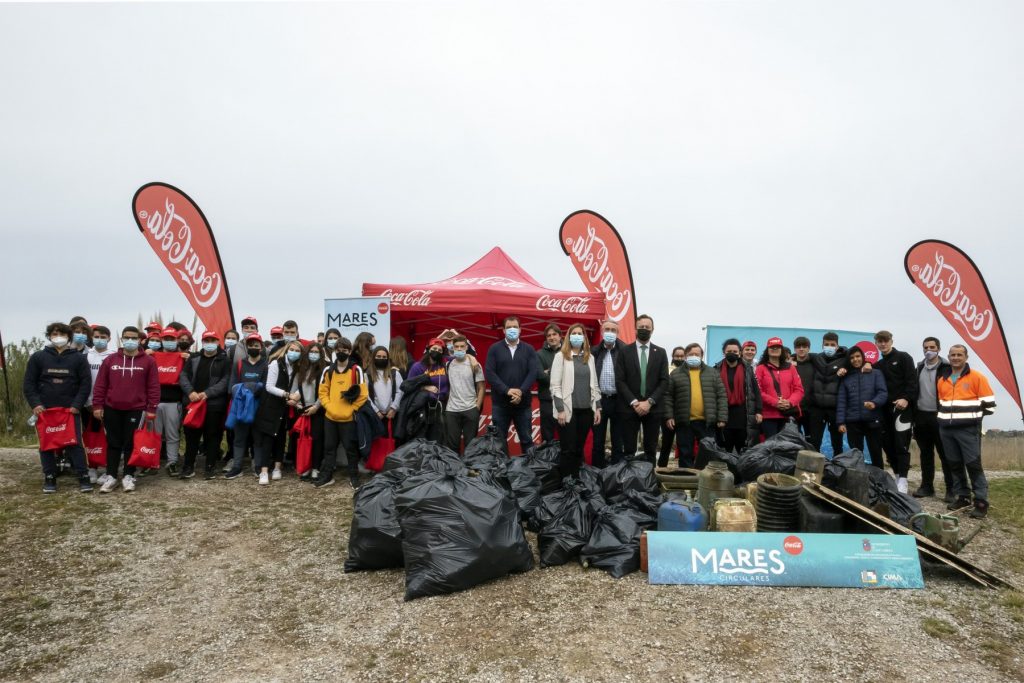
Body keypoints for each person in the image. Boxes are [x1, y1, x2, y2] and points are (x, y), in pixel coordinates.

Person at [23, 322, 93, 493]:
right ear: (49, 336)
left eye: (61, 333)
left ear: (68, 336)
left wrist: (77, 405)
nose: (58, 337)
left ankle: (83, 475)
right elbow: (29, 384)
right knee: (46, 445)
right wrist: (36, 404)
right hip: (45, 410)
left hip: (70, 410)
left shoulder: (77, 358)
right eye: (54, 334)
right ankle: (49, 477)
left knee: (74, 443)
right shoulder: (38, 357)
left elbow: (85, 384)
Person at [92, 326, 160, 493]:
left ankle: (129, 475)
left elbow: (153, 386)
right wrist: (97, 405)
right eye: (126, 337)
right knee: (113, 443)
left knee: (131, 443)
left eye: (133, 338)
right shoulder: (110, 360)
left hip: (136, 408)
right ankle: (111, 476)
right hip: (111, 408)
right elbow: (100, 385)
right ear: (121, 340)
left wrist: (152, 408)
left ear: (139, 340)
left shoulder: (148, 361)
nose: (130, 340)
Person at [937, 345, 996, 518]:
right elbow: (942, 403)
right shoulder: (943, 379)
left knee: (973, 465)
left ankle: (981, 502)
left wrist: (973, 420)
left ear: (966, 357)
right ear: (948, 356)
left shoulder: (977, 377)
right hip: (946, 430)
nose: (956, 358)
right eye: (953, 355)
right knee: (954, 464)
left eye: (959, 355)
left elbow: (990, 406)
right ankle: (963, 497)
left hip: (968, 430)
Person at [614, 314, 670, 463]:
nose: (644, 329)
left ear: (652, 330)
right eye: (641, 327)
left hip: (653, 408)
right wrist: (634, 402)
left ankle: (649, 482)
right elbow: (620, 380)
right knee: (629, 450)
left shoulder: (661, 352)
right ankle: (629, 482)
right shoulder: (624, 351)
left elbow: (664, 381)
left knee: (651, 449)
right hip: (629, 408)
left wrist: (649, 402)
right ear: (635, 329)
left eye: (647, 327)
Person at [663, 343, 727, 468]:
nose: (693, 356)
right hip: (684, 422)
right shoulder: (675, 374)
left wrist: (722, 417)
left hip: (707, 422)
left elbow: (721, 395)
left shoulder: (713, 373)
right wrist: (669, 416)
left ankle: (704, 481)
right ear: (685, 356)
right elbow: (668, 396)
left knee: (708, 453)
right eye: (690, 354)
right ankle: (687, 481)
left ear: (702, 356)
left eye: (696, 354)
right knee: (685, 453)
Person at [317, 337, 369, 489]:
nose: (341, 353)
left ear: (350, 352)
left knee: (351, 449)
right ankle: (327, 476)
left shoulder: (356, 370)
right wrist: (329, 407)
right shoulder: (328, 370)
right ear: (335, 351)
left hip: (349, 418)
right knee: (329, 448)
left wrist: (351, 410)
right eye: (339, 350)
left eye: (345, 351)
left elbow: (363, 395)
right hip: (330, 417)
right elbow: (322, 392)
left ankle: (354, 477)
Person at [550, 323, 601, 477]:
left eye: (580, 333)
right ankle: (566, 484)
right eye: (574, 333)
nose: (577, 336)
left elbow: (595, 385)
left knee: (579, 449)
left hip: (586, 411)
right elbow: (555, 386)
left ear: (584, 337)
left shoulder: (589, 357)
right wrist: (560, 410)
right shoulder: (561, 356)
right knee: (568, 450)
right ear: (569, 336)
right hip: (567, 411)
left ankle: (577, 483)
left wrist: (597, 407)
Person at [179, 331, 229, 479]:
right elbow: (183, 376)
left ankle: (210, 467)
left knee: (213, 436)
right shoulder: (194, 358)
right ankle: (188, 466)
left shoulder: (225, 360)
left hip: (213, 405)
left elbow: (225, 381)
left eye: (213, 340)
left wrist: (207, 393)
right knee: (191, 436)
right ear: (202, 341)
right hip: (193, 404)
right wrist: (190, 392)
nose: (209, 343)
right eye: (207, 340)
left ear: (218, 342)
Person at [485, 317, 539, 453]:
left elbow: (533, 372)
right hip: (500, 405)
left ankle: (528, 472)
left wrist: (521, 391)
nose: (512, 330)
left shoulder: (529, 349)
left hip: (523, 405)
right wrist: (507, 390)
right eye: (509, 327)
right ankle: (501, 472)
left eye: (515, 326)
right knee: (499, 442)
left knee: (527, 440)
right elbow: (490, 373)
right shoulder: (494, 348)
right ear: (503, 330)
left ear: (520, 330)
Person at [873, 330, 918, 494]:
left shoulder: (904, 357)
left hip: (902, 409)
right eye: (879, 341)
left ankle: (904, 480)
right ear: (876, 343)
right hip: (884, 411)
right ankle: (898, 476)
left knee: (901, 444)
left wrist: (906, 398)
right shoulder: (878, 365)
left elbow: (912, 381)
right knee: (888, 444)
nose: (883, 344)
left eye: (885, 340)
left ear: (891, 341)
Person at [253, 340, 303, 485]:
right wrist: (286, 394)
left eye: (297, 350)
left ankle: (277, 468)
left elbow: (302, 384)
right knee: (268, 438)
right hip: (272, 406)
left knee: (281, 437)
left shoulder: (300, 367)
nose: (294, 352)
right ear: (287, 350)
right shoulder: (276, 363)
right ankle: (264, 471)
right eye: (292, 349)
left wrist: (296, 396)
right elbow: (269, 386)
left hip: (288, 407)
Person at [914, 337, 953, 500]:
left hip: (940, 416)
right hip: (921, 416)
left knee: (945, 454)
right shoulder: (919, 367)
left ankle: (951, 489)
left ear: (939, 348)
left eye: (932, 347)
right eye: (925, 347)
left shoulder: (947, 368)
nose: (928, 350)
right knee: (926, 454)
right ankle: (927, 486)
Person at [225, 334, 268, 480]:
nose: (253, 348)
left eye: (256, 345)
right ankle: (237, 467)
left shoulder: (266, 365)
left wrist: (245, 387)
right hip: (241, 406)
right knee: (239, 438)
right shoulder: (239, 364)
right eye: (250, 345)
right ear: (246, 347)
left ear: (261, 348)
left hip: (259, 407)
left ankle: (257, 467)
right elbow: (232, 387)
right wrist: (251, 387)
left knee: (258, 439)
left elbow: (265, 386)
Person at [836, 346, 887, 463]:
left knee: (876, 453)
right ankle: (859, 480)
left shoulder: (876, 373)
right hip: (853, 423)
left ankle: (878, 480)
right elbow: (842, 401)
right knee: (855, 456)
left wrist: (874, 403)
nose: (855, 359)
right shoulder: (846, 377)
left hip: (873, 420)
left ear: (863, 357)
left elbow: (882, 392)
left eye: (858, 356)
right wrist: (841, 422)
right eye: (852, 357)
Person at [713, 339, 762, 453]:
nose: (732, 353)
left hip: (743, 416)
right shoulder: (716, 370)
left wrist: (759, 411)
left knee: (743, 449)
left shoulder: (747, 369)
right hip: (724, 416)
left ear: (740, 352)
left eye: (735, 351)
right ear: (723, 352)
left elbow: (756, 390)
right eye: (729, 351)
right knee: (725, 450)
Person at [84, 324, 117, 483]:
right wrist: (87, 402)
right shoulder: (86, 355)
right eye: (96, 336)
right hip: (86, 404)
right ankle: (91, 468)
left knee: (108, 438)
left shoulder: (114, 356)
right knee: (90, 437)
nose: (99, 340)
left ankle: (106, 469)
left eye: (103, 337)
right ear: (92, 337)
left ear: (109, 339)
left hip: (107, 405)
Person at [592, 320, 626, 467]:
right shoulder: (594, 351)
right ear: (602, 332)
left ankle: (616, 474)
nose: (610, 333)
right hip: (599, 402)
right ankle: (597, 473)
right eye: (607, 329)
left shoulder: (625, 351)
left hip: (619, 401)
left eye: (613, 330)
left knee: (618, 440)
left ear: (617, 333)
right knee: (598, 440)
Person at [755, 337, 804, 438]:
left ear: (782, 350)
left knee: (787, 447)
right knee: (771, 447)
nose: (775, 349)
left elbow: (799, 389)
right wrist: (775, 402)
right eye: (772, 347)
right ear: (767, 350)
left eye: (778, 347)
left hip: (788, 414)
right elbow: (758, 391)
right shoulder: (761, 368)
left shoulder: (791, 368)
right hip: (768, 415)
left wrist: (789, 402)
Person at [444, 335, 485, 453]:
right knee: (452, 446)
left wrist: (477, 407)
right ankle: (455, 470)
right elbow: (430, 353)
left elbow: (481, 387)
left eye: (462, 346)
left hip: (471, 408)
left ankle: (468, 471)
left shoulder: (475, 364)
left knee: (470, 446)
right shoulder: (448, 365)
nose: (459, 349)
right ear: (453, 348)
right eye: (456, 347)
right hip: (451, 410)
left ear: (467, 347)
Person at [808, 332, 847, 456]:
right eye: (826, 344)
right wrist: (792, 359)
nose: (829, 347)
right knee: (814, 442)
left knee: (837, 442)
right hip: (817, 408)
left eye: (832, 344)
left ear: (837, 345)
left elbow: (860, 360)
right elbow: (800, 355)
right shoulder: (816, 358)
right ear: (822, 345)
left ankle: (838, 468)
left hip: (835, 408)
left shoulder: (845, 359)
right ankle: (814, 471)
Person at [155, 327, 186, 475]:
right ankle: (150, 461)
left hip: (174, 402)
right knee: (154, 434)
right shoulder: (153, 356)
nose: (168, 342)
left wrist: (188, 358)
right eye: (166, 339)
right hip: (154, 402)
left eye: (171, 339)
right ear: (162, 340)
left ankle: (172, 462)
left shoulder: (184, 357)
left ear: (176, 341)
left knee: (172, 435)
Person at [406, 338, 450, 442]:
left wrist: (471, 358)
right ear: (428, 349)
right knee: (422, 438)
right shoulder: (417, 366)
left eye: (440, 350)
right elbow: (408, 386)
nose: (437, 352)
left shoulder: (444, 365)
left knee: (438, 438)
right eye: (434, 348)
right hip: (423, 408)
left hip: (441, 407)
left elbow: (458, 357)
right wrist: (424, 387)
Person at [296, 342, 328, 480]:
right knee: (304, 440)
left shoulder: (324, 369)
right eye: (311, 352)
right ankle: (305, 467)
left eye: (316, 352)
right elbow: (297, 389)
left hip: (318, 410)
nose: (313, 354)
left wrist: (316, 407)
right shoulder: (302, 369)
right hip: (303, 409)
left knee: (317, 440)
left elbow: (325, 391)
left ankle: (315, 468)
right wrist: (297, 404)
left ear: (320, 355)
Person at [658, 347, 687, 467]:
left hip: (683, 411)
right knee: (666, 442)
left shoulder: (688, 371)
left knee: (684, 443)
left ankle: (683, 468)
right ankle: (662, 466)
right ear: (672, 357)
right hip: (667, 411)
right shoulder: (667, 370)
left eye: (681, 356)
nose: (679, 358)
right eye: (677, 356)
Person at [368, 345, 403, 438]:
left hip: (392, 415)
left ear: (388, 359)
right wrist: (376, 411)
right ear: (373, 358)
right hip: (375, 415)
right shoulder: (367, 375)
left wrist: (393, 408)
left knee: (391, 443)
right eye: (378, 357)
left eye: (384, 357)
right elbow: (365, 395)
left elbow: (400, 391)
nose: (381, 359)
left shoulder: (395, 373)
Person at [535, 323, 563, 443]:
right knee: (547, 436)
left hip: (565, 400)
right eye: (549, 335)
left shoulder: (568, 352)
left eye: (554, 334)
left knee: (567, 435)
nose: (552, 337)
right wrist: (559, 373)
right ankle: (547, 461)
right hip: (547, 400)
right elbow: (540, 376)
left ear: (560, 336)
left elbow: (573, 375)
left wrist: (549, 372)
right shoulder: (539, 354)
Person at [792, 337, 815, 439]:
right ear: (795, 349)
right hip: (794, 409)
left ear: (808, 349)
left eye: (804, 347)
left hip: (810, 410)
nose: (801, 349)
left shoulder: (815, 363)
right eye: (798, 347)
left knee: (810, 440)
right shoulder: (788, 365)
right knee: (794, 440)